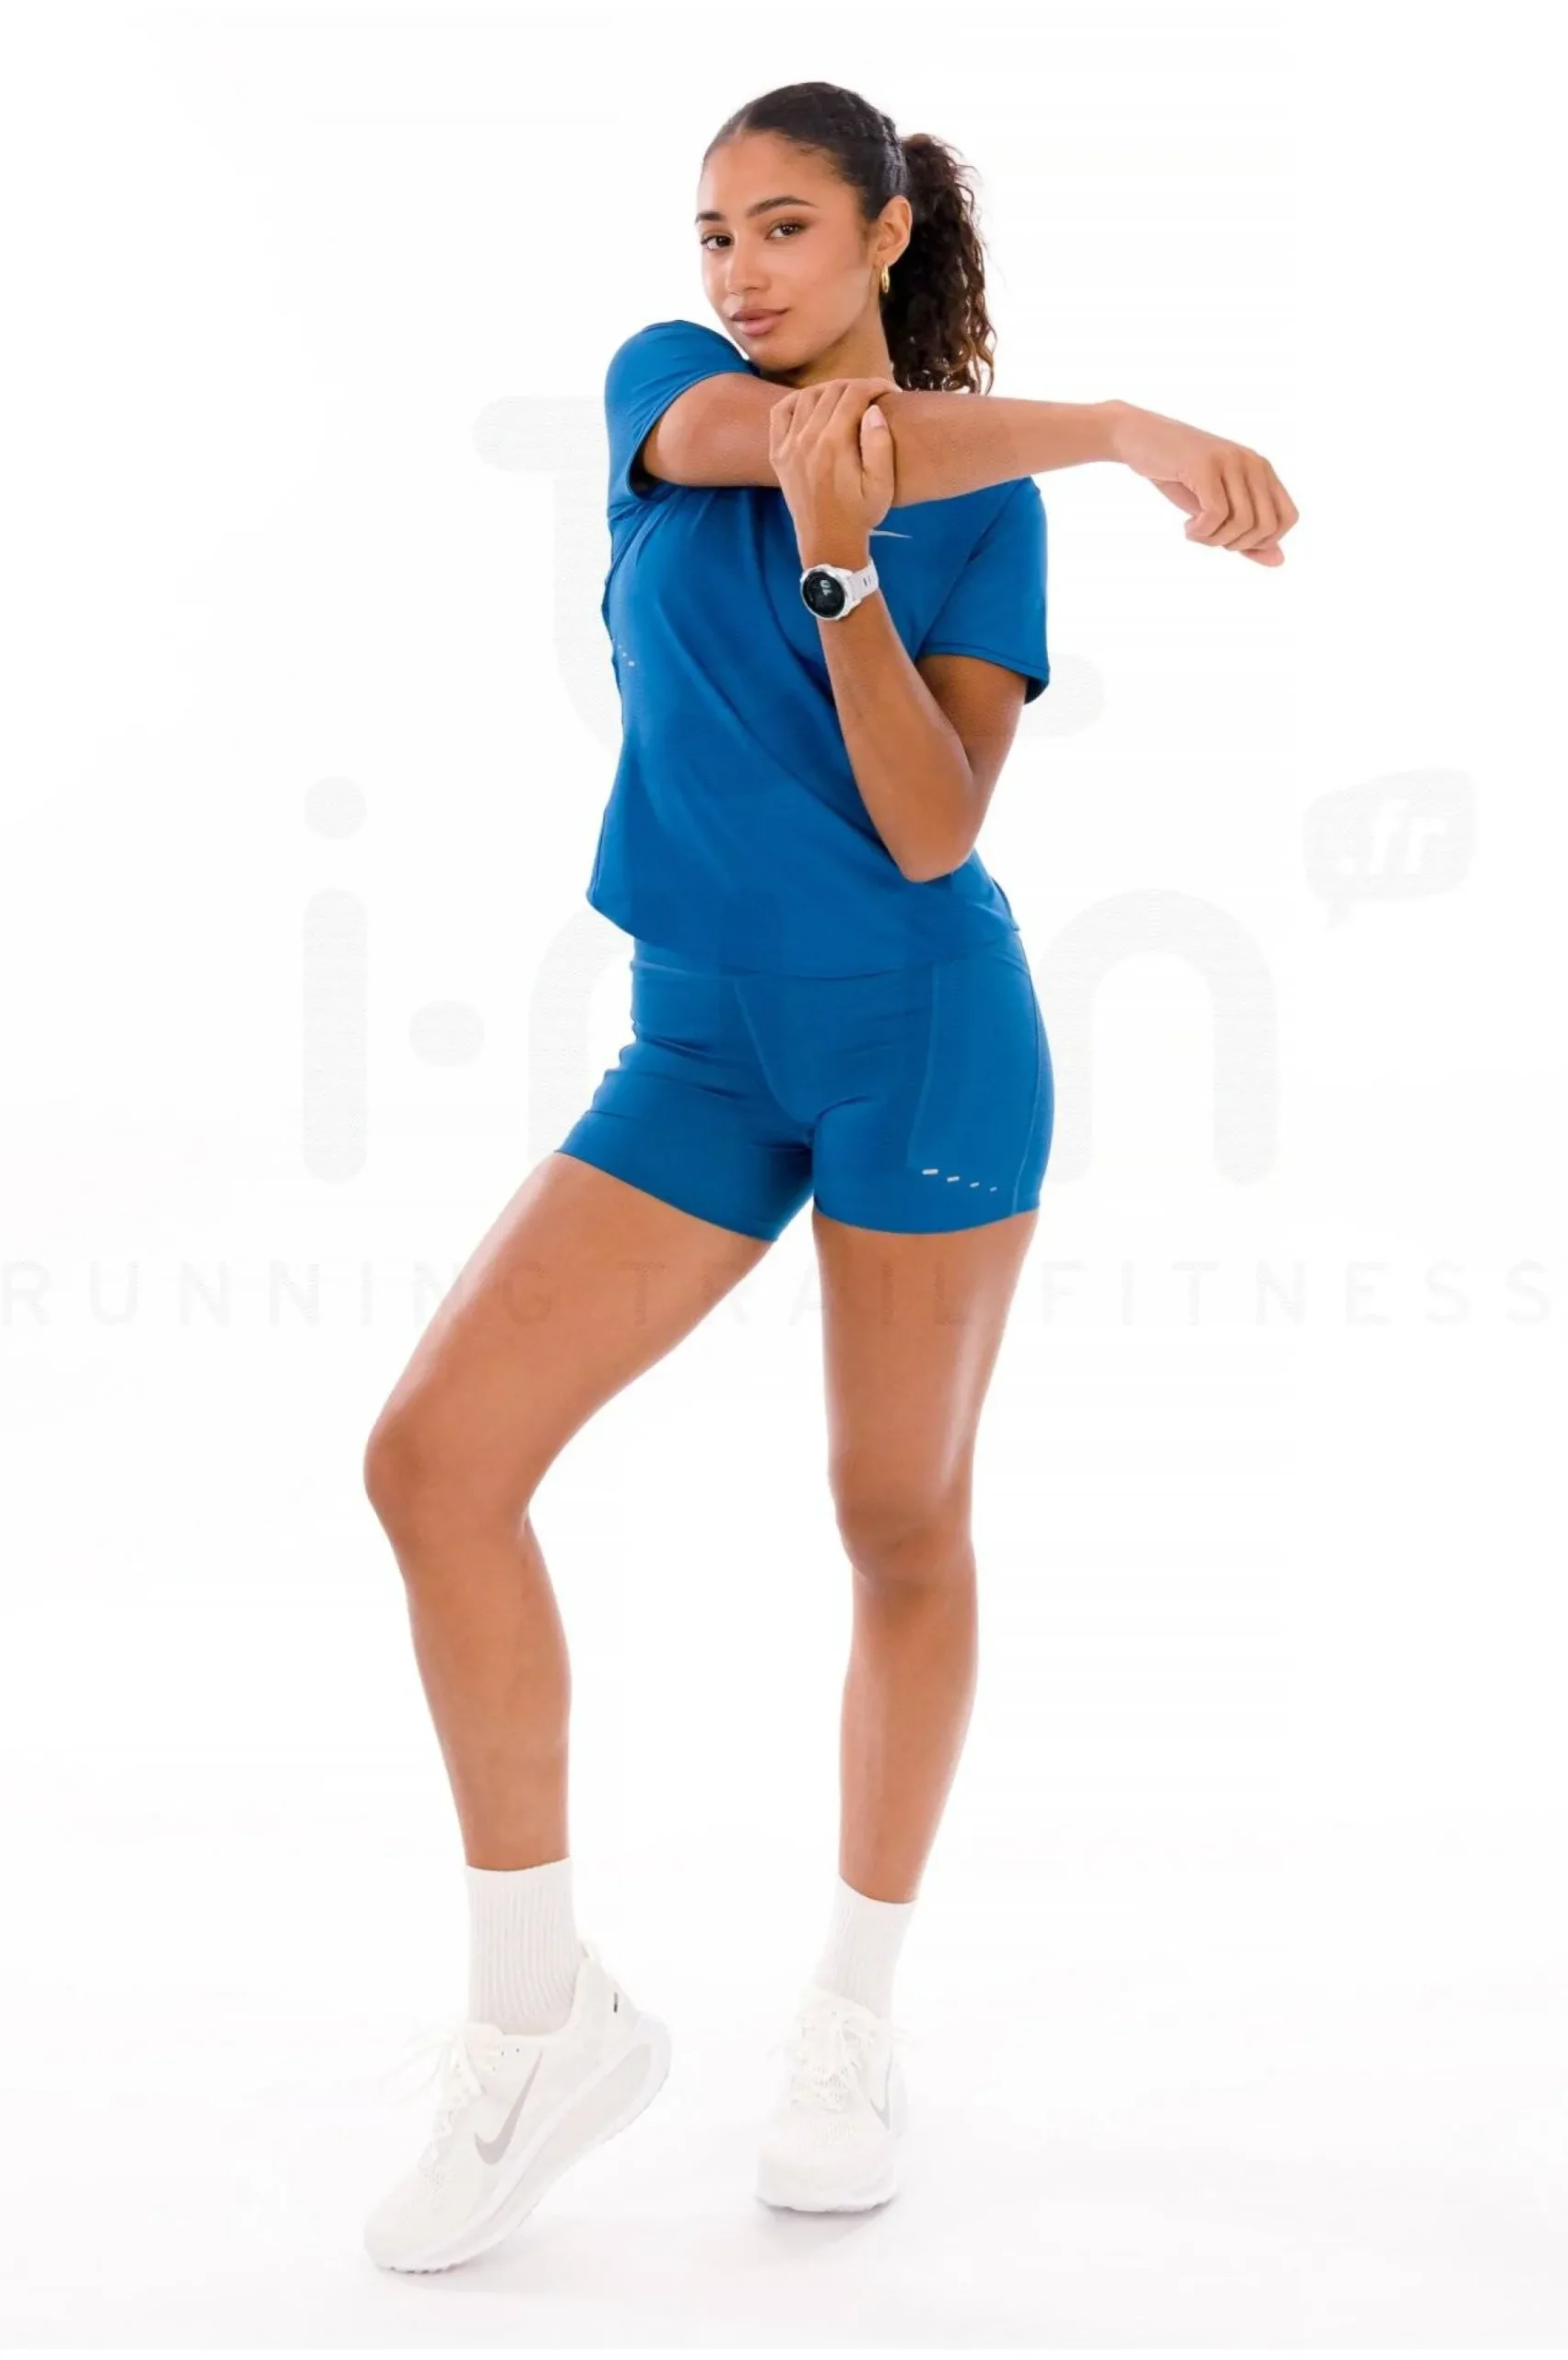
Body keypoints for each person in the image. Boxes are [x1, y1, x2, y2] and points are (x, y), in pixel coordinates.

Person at [360, 79, 1297, 2274]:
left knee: (892, 1513)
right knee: (433, 1459)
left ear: (883, 234)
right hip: (695, 1044)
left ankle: (851, 2017)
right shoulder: (661, 395)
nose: (734, 271)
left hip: (914, 1035)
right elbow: (774, 437)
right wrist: (1121, 423)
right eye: (712, 233)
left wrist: (851, 569)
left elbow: (931, 824)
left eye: (782, 226)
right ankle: (539, 2019)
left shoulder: (980, 511)